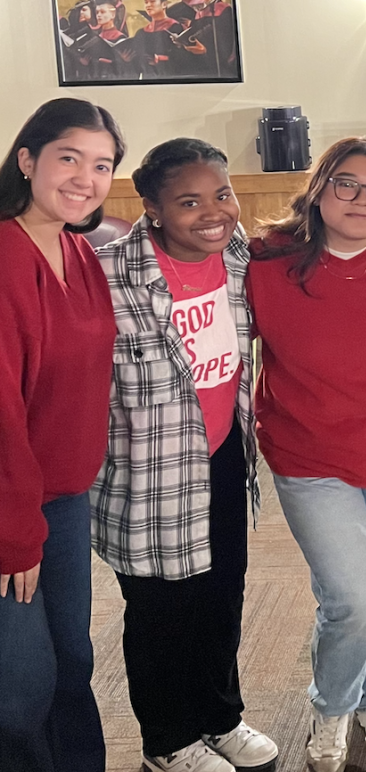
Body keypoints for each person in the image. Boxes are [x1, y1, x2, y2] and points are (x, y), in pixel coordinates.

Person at [91, 138, 278, 772]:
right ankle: (167, 743)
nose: (211, 212)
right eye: (188, 201)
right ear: (152, 208)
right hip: (148, 471)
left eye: (221, 194)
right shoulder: (109, 274)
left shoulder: (236, 255)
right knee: (162, 613)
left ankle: (220, 719)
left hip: (224, 454)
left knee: (223, 594)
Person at [249, 137, 366, 772]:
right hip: (308, 453)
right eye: (347, 184)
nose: (362, 198)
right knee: (354, 597)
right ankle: (333, 707)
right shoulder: (266, 260)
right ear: (319, 188)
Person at [0, 96, 123, 772]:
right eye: (69, 158)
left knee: (73, 661)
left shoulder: (80, 252)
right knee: (20, 689)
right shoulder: (6, 257)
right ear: (27, 159)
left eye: (101, 165)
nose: (85, 177)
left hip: (65, 499)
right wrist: (16, 532)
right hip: (9, 506)